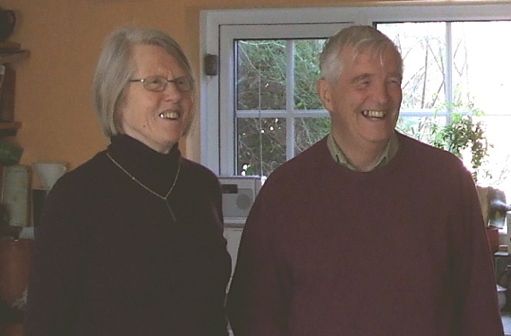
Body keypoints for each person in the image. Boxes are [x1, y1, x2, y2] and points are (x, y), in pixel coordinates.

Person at [226, 25, 504, 336]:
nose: (381, 97)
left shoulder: (447, 181)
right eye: (363, 82)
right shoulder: (284, 193)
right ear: (327, 94)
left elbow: (479, 309)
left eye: (392, 82)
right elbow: (253, 313)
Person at [23, 27, 231, 336]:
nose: (174, 94)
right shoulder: (77, 196)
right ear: (117, 95)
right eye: (155, 83)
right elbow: (46, 323)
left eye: (182, 83)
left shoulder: (202, 186)